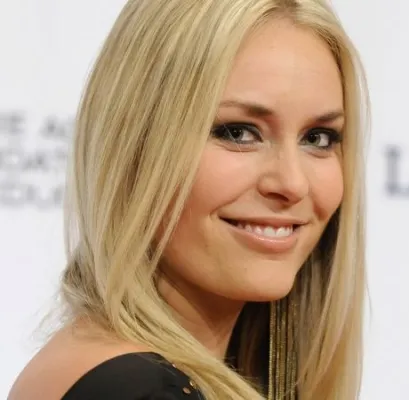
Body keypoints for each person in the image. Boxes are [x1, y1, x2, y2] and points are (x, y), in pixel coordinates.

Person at [8, 0, 369, 399]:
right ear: (135, 146)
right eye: (237, 132)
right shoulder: (141, 390)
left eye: (318, 138)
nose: (293, 183)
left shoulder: (105, 366)